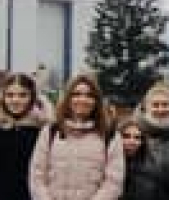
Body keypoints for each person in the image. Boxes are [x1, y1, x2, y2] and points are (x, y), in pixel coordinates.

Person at [28, 72, 125, 200]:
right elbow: (37, 176)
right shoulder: (51, 131)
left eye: (89, 95)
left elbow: (113, 182)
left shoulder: (110, 135)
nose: (83, 100)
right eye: (76, 94)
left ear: (96, 101)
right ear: (68, 98)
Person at [0, 73, 48, 200]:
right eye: (10, 95)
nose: (15, 100)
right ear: (3, 97)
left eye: (23, 95)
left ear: (32, 97)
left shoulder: (42, 130)